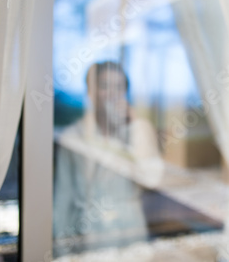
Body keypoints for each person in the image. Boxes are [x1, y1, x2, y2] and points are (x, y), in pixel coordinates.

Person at [53, 61, 164, 256]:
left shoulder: (138, 129)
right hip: (89, 233)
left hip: (129, 229)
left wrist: (133, 128)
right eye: (104, 86)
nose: (112, 93)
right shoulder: (73, 136)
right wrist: (61, 250)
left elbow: (152, 179)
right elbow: (63, 197)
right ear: (90, 91)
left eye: (119, 87)